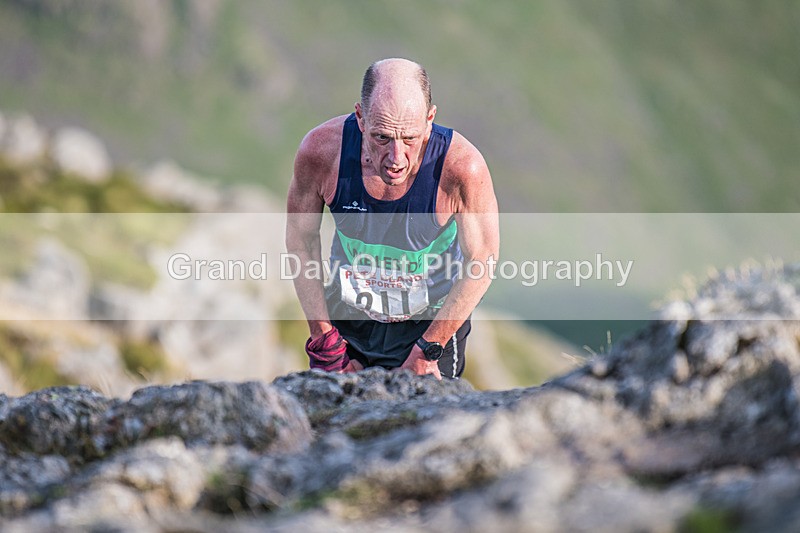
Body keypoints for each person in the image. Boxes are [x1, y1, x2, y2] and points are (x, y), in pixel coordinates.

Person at [286, 58, 499, 380]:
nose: (396, 159)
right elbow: (301, 242)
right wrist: (324, 340)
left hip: (429, 325)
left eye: (410, 138)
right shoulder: (322, 152)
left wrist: (429, 349)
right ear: (360, 118)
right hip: (348, 321)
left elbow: (482, 260)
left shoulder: (461, 167)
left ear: (430, 119)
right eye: (382, 138)